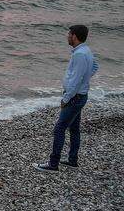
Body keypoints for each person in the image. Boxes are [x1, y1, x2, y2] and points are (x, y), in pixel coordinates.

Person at [34, 25, 98, 172]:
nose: (67, 36)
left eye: (69, 34)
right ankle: (72, 160)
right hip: (79, 95)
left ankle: (53, 164)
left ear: (74, 36)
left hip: (74, 97)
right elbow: (95, 66)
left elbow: (75, 81)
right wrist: (85, 79)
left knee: (59, 129)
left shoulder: (80, 54)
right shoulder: (85, 50)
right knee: (74, 128)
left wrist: (66, 98)